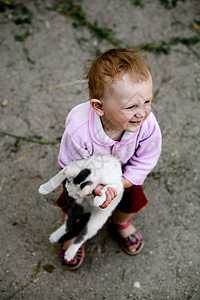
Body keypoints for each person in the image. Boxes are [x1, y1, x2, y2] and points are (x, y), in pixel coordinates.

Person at [56, 48, 162, 270]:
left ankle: (120, 223)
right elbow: (73, 167)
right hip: (85, 179)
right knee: (75, 205)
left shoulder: (147, 125)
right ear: (99, 107)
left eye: (147, 101)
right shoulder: (79, 130)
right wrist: (94, 188)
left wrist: (121, 184)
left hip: (125, 175)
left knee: (130, 201)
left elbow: (146, 158)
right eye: (131, 106)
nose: (142, 113)